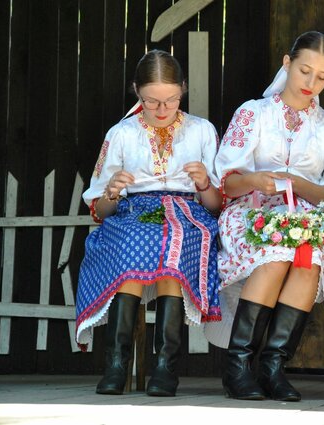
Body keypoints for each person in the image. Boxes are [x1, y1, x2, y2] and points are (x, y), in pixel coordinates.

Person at [207, 31, 324, 402]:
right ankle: (238, 366)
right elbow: (227, 185)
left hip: (308, 216)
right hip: (251, 211)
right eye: (305, 71)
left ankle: (273, 367)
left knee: (308, 257)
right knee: (277, 254)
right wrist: (257, 180)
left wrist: (296, 183)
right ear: (287, 62)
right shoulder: (253, 113)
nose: (311, 83)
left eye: (322, 77)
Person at [75, 49, 222, 397]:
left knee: (175, 244)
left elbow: (216, 206)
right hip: (132, 213)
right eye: (151, 100)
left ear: (183, 89)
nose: (160, 110)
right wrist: (112, 192)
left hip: (187, 213)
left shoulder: (202, 131)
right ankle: (116, 363)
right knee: (130, 246)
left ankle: (165, 367)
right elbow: (103, 209)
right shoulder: (122, 133)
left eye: (170, 100)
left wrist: (203, 183)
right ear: (136, 92)